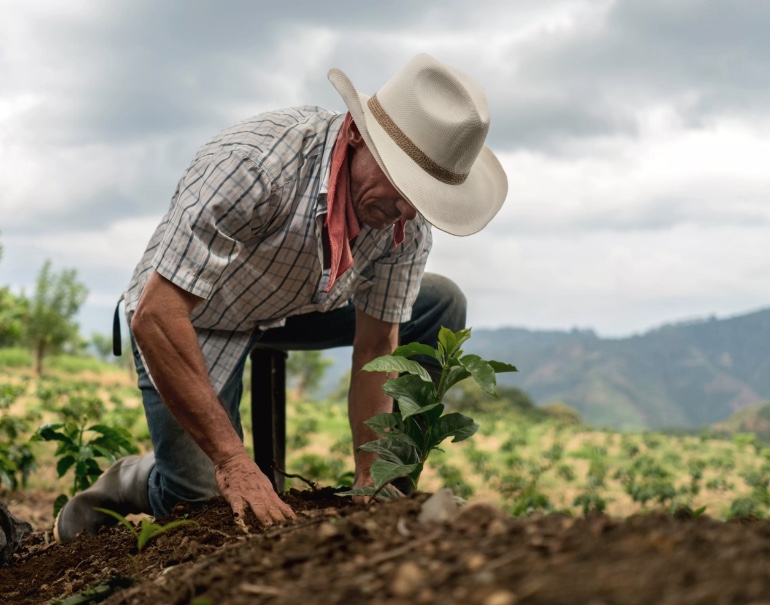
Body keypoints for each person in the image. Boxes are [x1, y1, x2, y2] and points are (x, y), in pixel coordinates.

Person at [54, 53, 508, 543]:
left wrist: (370, 474)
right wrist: (232, 460)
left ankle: (391, 489)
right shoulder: (254, 166)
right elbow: (157, 314)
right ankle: (133, 479)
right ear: (357, 135)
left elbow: (378, 346)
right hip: (195, 314)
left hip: (295, 305)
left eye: (421, 198)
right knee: (201, 500)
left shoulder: (403, 221)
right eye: (401, 185)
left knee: (441, 303)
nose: (405, 211)